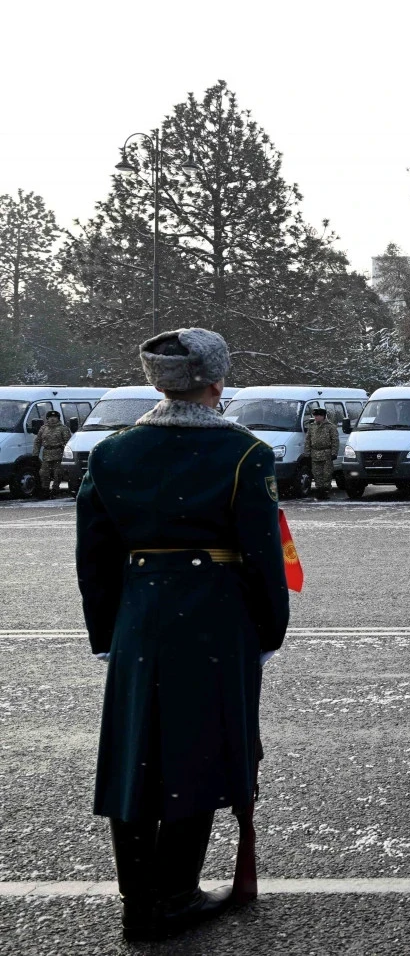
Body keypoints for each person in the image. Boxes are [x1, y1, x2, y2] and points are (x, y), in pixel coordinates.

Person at [76, 328, 290, 942]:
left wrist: (106, 631)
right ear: (216, 382)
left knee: (136, 755)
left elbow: (94, 556)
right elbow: (263, 555)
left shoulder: (112, 452)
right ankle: (174, 893)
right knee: (198, 751)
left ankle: (137, 898)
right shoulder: (244, 453)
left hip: (140, 615)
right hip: (215, 615)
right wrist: (268, 629)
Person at [304, 407, 341, 501]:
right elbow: (308, 440)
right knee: (317, 474)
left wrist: (334, 453)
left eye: (317, 415)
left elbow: (335, 440)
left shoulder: (330, 427)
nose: (316, 417)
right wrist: (307, 453)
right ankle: (319, 490)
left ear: (323, 416)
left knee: (327, 474)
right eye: (315, 416)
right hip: (315, 453)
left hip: (326, 454)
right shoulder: (312, 426)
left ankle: (325, 491)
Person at [34, 408, 70, 498]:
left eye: (54, 417)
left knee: (58, 473)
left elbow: (68, 442)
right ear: (47, 418)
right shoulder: (43, 428)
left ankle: (55, 489)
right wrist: (35, 454)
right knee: (44, 473)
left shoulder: (63, 428)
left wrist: (67, 455)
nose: (52, 419)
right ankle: (45, 489)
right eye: (50, 417)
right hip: (47, 454)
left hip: (58, 453)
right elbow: (37, 441)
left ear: (58, 418)